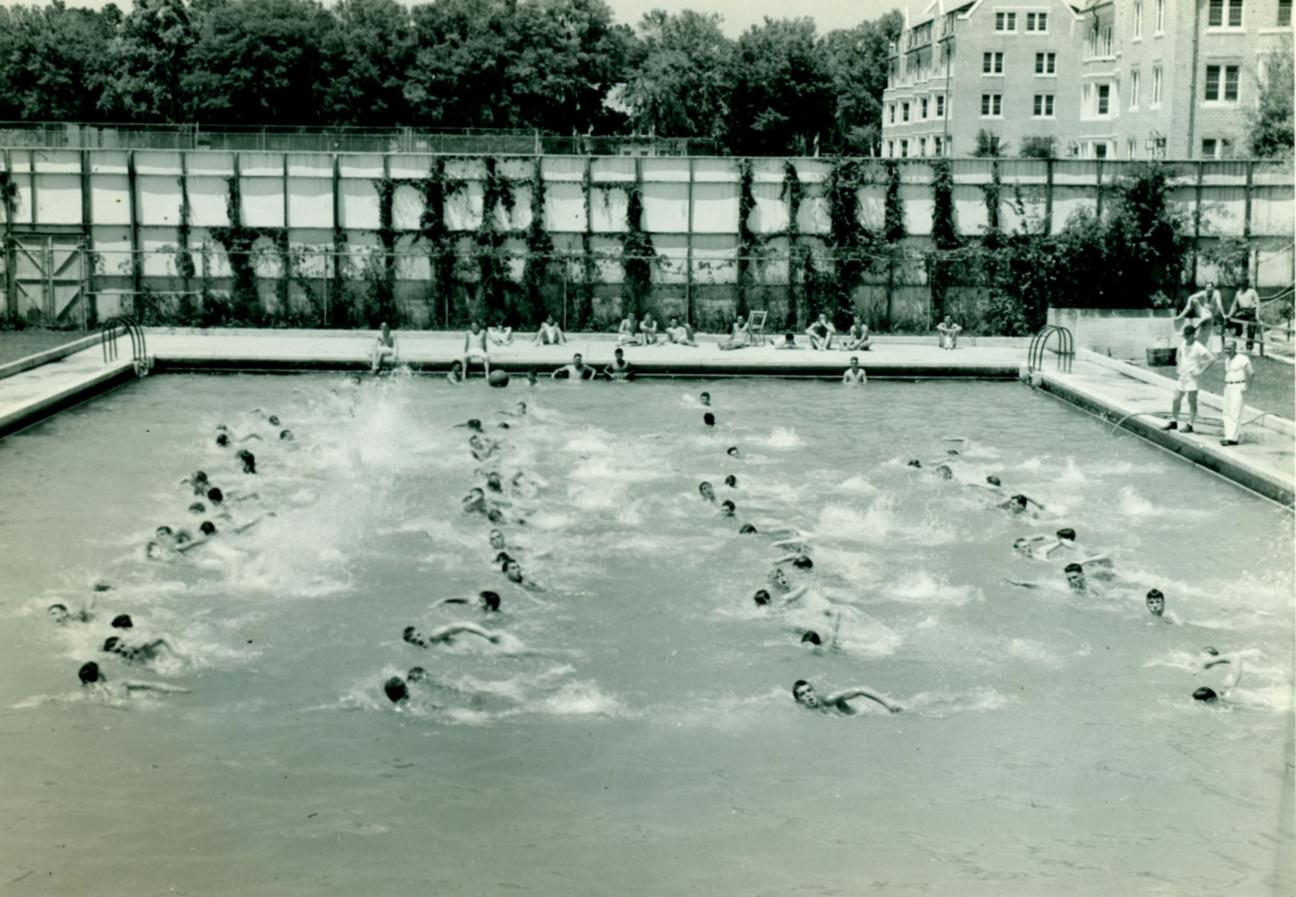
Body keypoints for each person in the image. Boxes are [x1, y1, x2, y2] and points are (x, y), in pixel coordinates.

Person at [1161, 324, 1216, 433]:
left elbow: (1211, 359)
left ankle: (1190, 424)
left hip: (1192, 377)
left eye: (1187, 335)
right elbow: (1178, 355)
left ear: (1193, 335)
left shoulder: (1198, 346)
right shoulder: (1182, 344)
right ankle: (1174, 421)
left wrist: (1200, 371)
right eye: (1184, 335)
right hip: (1183, 376)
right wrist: (1178, 365)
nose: (1185, 337)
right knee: (1176, 399)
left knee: (1192, 401)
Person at [78, 661, 188, 696]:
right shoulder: (119, 683)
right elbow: (151, 685)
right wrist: (183, 690)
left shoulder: (86, 692)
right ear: (100, 673)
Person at [792, 680, 902, 715]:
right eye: (802, 694)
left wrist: (889, 705)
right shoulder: (798, 709)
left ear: (814, 692)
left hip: (862, 712)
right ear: (798, 701)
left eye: (809, 691)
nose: (808, 695)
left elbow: (861, 689)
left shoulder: (828, 700)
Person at [1219, 339, 1254, 446]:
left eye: (1229, 348)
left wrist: (1247, 386)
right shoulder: (1227, 360)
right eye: (1225, 348)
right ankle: (1228, 435)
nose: (1227, 351)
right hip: (1228, 386)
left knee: (1235, 412)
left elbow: (1252, 373)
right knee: (1226, 412)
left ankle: (1232, 438)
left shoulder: (1242, 359)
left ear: (1235, 348)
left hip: (1238, 386)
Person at [402, 623, 501, 647]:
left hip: (487, 644)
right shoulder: (428, 648)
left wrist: (488, 635)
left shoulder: (436, 635)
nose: (419, 640)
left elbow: (465, 624)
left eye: (418, 635)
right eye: (414, 640)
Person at [1227, 281, 1260, 351]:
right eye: (1241, 284)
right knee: (1234, 318)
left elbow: (1257, 303)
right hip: (1242, 311)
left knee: (1252, 325)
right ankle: (1239, 331)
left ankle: (1249, 345)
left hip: (1251, 311)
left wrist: (1257, 315)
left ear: (1247, 284)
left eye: (1244, 284)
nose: (1242, 286)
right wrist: (1229, 315)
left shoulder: (1252, 291)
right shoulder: (1238, 293)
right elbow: (1234, 305)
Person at [102, 636, 176, 664]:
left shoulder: (142, 647)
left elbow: (161, 640)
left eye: (123, 646)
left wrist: (173, 653)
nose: (123, 650)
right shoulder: (123, 658)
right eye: (118, 651)